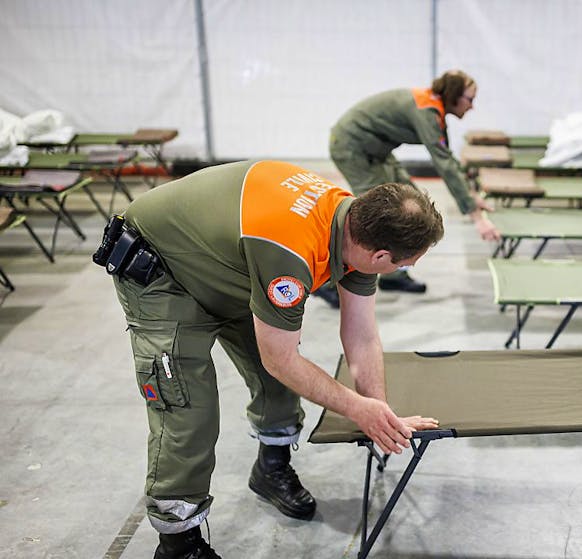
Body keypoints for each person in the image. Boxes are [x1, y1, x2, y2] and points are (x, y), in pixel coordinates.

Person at [100, 160, 443, 558]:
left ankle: (270, 467)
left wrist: (378, 411)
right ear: (381, 255)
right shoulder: (291, 251)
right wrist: (356, 408)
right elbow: (280, 359)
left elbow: (362, 336)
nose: (404, 269)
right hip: (164, 272)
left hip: (229, 265)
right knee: (188, 410)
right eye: (403, 264)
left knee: (281, 381)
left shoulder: (357, 226)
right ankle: (178, 544)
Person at [314, 69, 499, 307]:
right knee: (375, 218)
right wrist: (477, 218)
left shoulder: (434, 109)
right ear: (454, 95)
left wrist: (472, 197)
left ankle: (393, 275)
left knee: (413, 203)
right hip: (353, 147)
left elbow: (448, 159)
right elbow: (443, 164)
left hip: (377, 150)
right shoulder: (427, 112)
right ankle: (327, 281)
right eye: (470, 99)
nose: (472, 106)